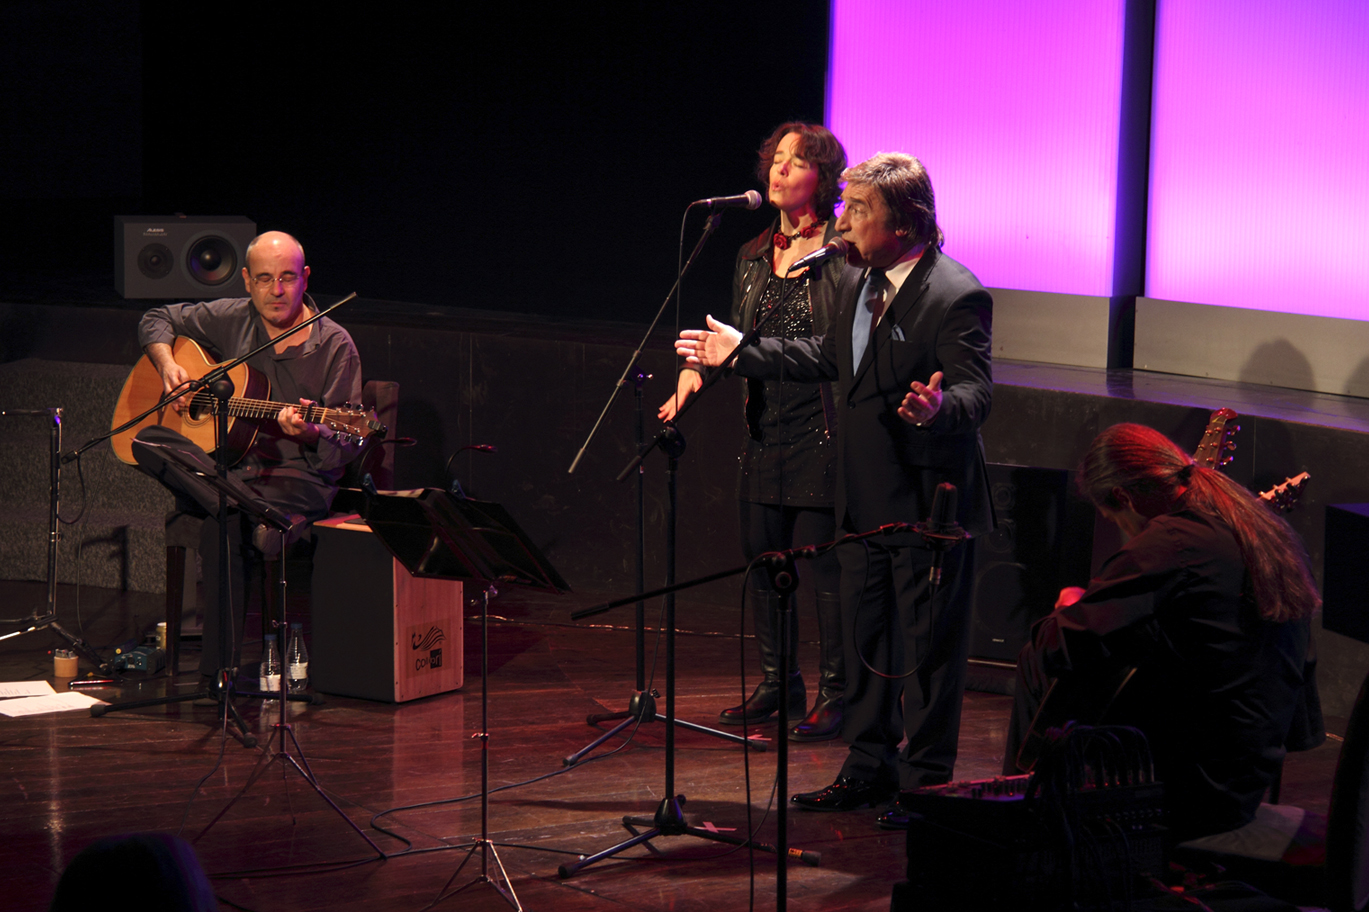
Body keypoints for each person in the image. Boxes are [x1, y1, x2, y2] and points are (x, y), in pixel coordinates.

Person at [677, 152, 994, 818]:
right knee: (866, 645)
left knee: (926, 657)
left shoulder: (955, 293)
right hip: (859, 503)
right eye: (847, 209)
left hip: (925, 509)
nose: (844, 225)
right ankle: (867, 766)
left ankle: (925, 784)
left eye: (860, 212)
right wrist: (739, 353)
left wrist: (939, 411)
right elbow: (823, 356)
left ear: (906, 221)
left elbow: (975, 391)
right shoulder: (855, 281)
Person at [1004, 423, 1320, 841]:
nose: (1127, 532)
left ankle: (1020, 823)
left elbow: (1058, 645)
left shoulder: (1171, 540)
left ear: (1124, 497)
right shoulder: (1255, 523)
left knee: (1039, 654)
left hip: (1192, 790)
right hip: (1246, 775)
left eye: (1115, 519)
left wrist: (1069, 606)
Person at [660, 123, 847, 739]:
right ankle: (779, 682)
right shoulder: (752, 253)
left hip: (821, 431)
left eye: (797, 162)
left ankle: (836, 692)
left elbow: (835, 350)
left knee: (820, 569)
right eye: (776, 160)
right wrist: (692, 377)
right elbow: (730, 340)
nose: (780, 171)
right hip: (765, 430)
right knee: (764, 563)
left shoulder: (843, 256)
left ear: (823, 177)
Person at [132, 231, 363, 687]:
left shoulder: (337, 347)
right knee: (148, 439)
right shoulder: (232, 317)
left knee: (223, 522)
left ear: (305, 278)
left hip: (294, 478)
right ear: (246, 280)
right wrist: (167, 366)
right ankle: (230, 500)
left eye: (287, 278)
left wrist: (314, 429)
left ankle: (217, 675)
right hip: (231, 469)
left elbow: (347, 444)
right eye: (263, 279)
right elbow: (156, 318)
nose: (276, 291)